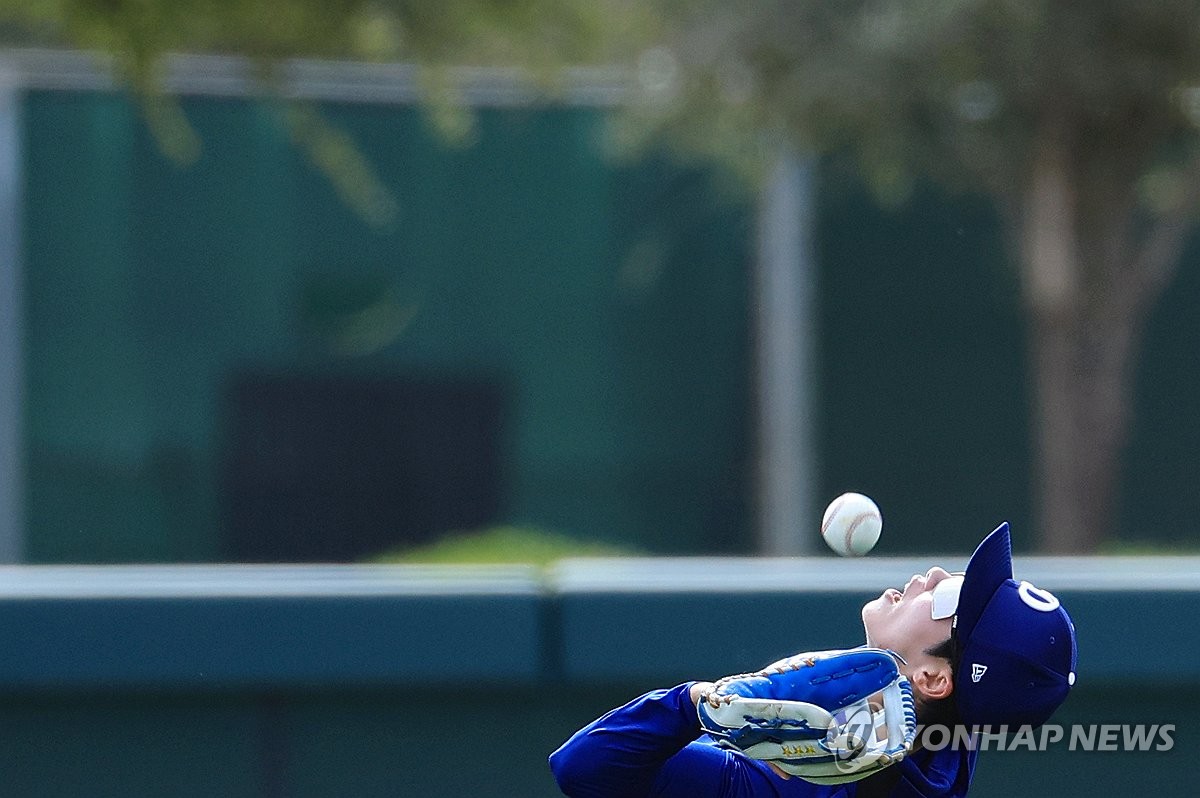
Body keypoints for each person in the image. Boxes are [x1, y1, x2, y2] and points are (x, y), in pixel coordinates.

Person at [549, 522, 1077, 797]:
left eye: (951, 599)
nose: (935, 575)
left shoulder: (790, 788)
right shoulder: (943, 746)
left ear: (934, 679)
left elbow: (581, 769)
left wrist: (692, 705)